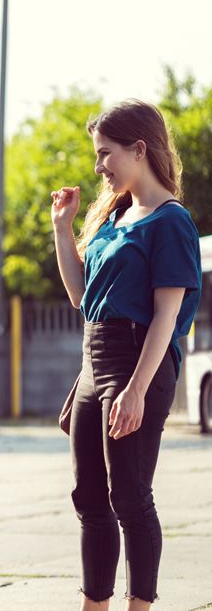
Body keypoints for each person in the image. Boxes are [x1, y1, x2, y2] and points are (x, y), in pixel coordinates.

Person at [51, 99, 202, 610]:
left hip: (140, 360)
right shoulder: (114, 217)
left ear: (139, 149)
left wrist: (136, 390)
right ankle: (95, 605)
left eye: (105, 153)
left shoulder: (170, 221)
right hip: (95, 361)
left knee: (130, 499)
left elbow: (166, 317)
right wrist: (63, 228)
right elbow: (80, 297)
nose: (99, 167)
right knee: (89, 500)